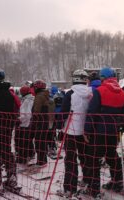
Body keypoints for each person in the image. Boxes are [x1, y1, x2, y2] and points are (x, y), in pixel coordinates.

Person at [84, 67, 124, 199]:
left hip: (100, 132)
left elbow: (92, 112)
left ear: (103, 78)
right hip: (113, 131)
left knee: (93, 159)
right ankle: (118, 181)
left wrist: (87, 130)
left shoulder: (100, 91)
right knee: (112, 156)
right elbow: (123, 114)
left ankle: (94, 188)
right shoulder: (123, 93)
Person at [56, 69, 92, 197]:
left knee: (70, 159)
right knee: (85, 157)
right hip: (85, 131)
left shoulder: (70, 93)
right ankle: (88, 180)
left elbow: (64, 112)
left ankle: (69, 188)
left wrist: (59, 127)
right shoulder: (91, 92)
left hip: (71, 131)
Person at [31, 79, 50, 166]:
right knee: (43, 140)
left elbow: (36, 110)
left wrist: (34, 119)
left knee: (39, 140)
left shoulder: (39, 96)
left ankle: (41, 161)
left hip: (39, 120)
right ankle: (43, 159)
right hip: (45, 120)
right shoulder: (45, 95)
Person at [15, 85, 35, 164]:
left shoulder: (27, 101)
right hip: (28, 123)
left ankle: (22, 158)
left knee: (21, 142)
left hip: (24, 124)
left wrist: (19, 120)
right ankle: (30, 154)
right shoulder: (30, 99)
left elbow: (27, 114)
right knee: (27, 141)